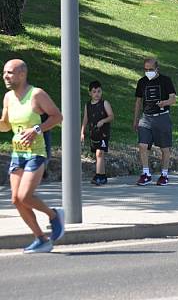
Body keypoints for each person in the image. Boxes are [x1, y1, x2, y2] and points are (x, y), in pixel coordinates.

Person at [0, 59, 65, 253]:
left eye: (10, 72)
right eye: (4, 72)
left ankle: (53, 215)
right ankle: (41, 238)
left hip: (36, 152)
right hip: (18, 153)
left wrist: (36, 129)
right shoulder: (8, 98)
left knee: (24, 195)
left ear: (22, 74)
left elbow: (57, 117)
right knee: (16, 200)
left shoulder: (36, 94)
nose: (5, 76)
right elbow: (5, 125)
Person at [133, 58, 176, 186]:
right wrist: (135, 119)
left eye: (150, 69)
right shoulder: (142, 82)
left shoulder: (165, 80)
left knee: (165, 148)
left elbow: (173, 99)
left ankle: (164, 175)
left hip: (162, 117)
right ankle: (146, 174)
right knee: (142, 145)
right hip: (146, 118)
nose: (147, 72)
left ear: (157, 69)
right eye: (145, 69)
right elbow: (138, 102)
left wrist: (165, 103)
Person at [81, 80, 114, 186]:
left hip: (103, 133)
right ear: (90, 93)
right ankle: (102, 175)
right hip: (93, 133)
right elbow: (85, 119)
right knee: (98, 154)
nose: (97, 94)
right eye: (94, 92)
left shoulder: (105, 103)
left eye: (99, 91)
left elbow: (111, 116)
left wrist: (103, 121)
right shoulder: (88, 105)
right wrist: (82, 132)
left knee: (99, 153)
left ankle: (98, 175)